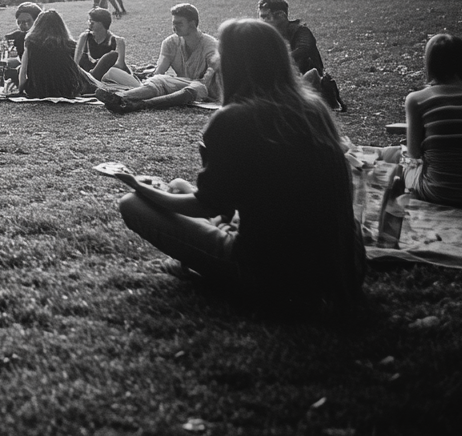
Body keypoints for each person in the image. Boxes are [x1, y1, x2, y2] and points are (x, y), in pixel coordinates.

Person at [114, 18, 366, 314]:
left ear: (234, 63)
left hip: (273, 276)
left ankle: (203, 266)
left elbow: (207, 206)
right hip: (343, 270)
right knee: (180, 186)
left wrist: (139, 187)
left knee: (133, 204)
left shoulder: (234, 119)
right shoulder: (314, 109)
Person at [390, 34, 462, 208]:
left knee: (395, 160)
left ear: (430, 63)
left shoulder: (418, 99)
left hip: (438, 193)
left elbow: (414, 154)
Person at [97, 3, 220, 113]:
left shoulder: (210, 44)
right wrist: (152, 81)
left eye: (179, 23)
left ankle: (140, 105)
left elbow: (208, 77)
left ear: (192, 24)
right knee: (159, 79)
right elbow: (160, 70)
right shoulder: (171, 42)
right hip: (186, 82)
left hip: (207, 89)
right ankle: (120, 97)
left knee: (197, 87)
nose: (175, 27)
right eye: (173, 23)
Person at [17, 9, 97, 100]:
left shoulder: (31, 42)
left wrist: (20, 90)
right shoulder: (69, 43)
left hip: (38, 90)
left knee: (19, 69)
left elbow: (23, 71)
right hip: (67, 90)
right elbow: (74, 70)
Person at [0, 1, 41, 88]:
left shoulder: (39, 37)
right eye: (19, 22)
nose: (22, 26)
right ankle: (6, 80)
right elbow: (21, 60)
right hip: (24, 68)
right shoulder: (21, 36)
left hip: (33, 75)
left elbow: (31, 66)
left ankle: (8, 81)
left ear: (37, 21)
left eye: (27, 22)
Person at [74, 8, 137, 86]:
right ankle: (88, 80)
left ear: (101, 23)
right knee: (82, 56)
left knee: (112, 55)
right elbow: (76, 62)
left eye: (92, 21)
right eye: (89, 21)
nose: (89, 24)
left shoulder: (118, 41)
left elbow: (121, 65)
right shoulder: (85, 37)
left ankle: (90, 81)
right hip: (87, 73)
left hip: (103, 74)